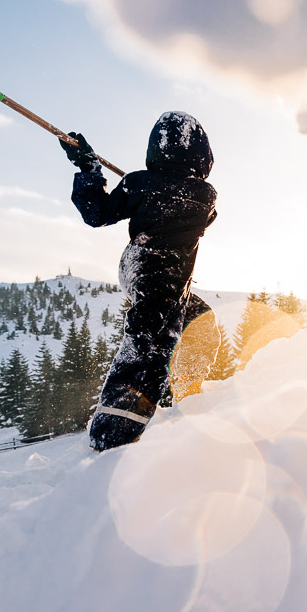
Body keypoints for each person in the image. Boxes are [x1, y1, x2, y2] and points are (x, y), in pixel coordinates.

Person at [61, 111, 220, 451]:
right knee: (150, 342)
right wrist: (148, 189)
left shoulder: (139, 183)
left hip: (140, 266)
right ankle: (113, 433)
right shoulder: (206, 197)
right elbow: (207, 218)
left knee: (199, 323)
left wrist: (89, 170)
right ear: (202, 157)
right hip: (160, 274)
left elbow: (97, 214)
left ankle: (184, 400)